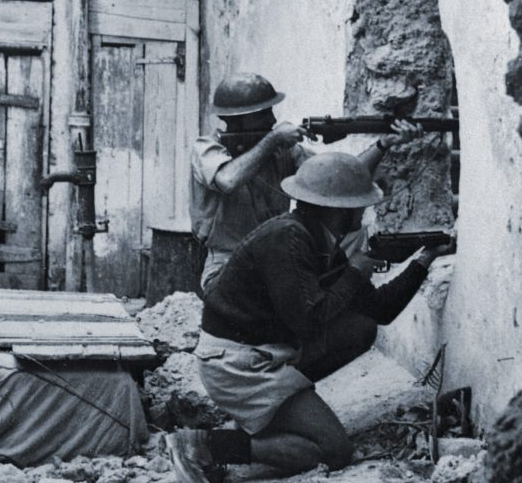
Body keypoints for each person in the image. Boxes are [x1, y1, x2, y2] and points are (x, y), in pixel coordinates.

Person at [167, 153, 455, 482]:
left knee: (360, 329)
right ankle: (206, 446)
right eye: (359, 206)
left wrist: (424, 260)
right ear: (339, 210)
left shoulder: (316, 239)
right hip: (237, 365)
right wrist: (355, 272)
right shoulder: (287, 238)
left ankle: (272, 419)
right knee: (334, 451)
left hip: (262, 354)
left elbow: (380, 310)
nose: (363, 213)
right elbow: (309, 321)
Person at [190, 72, 422, 289]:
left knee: (352, 239)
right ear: (237, 119)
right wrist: (273, 139)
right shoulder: (207, 148)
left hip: (276, 257)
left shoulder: (283, 151)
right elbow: (228, 180)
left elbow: (341, 179)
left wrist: (383, 144)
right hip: (228, 262)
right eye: (262, 114)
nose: (272, 119)